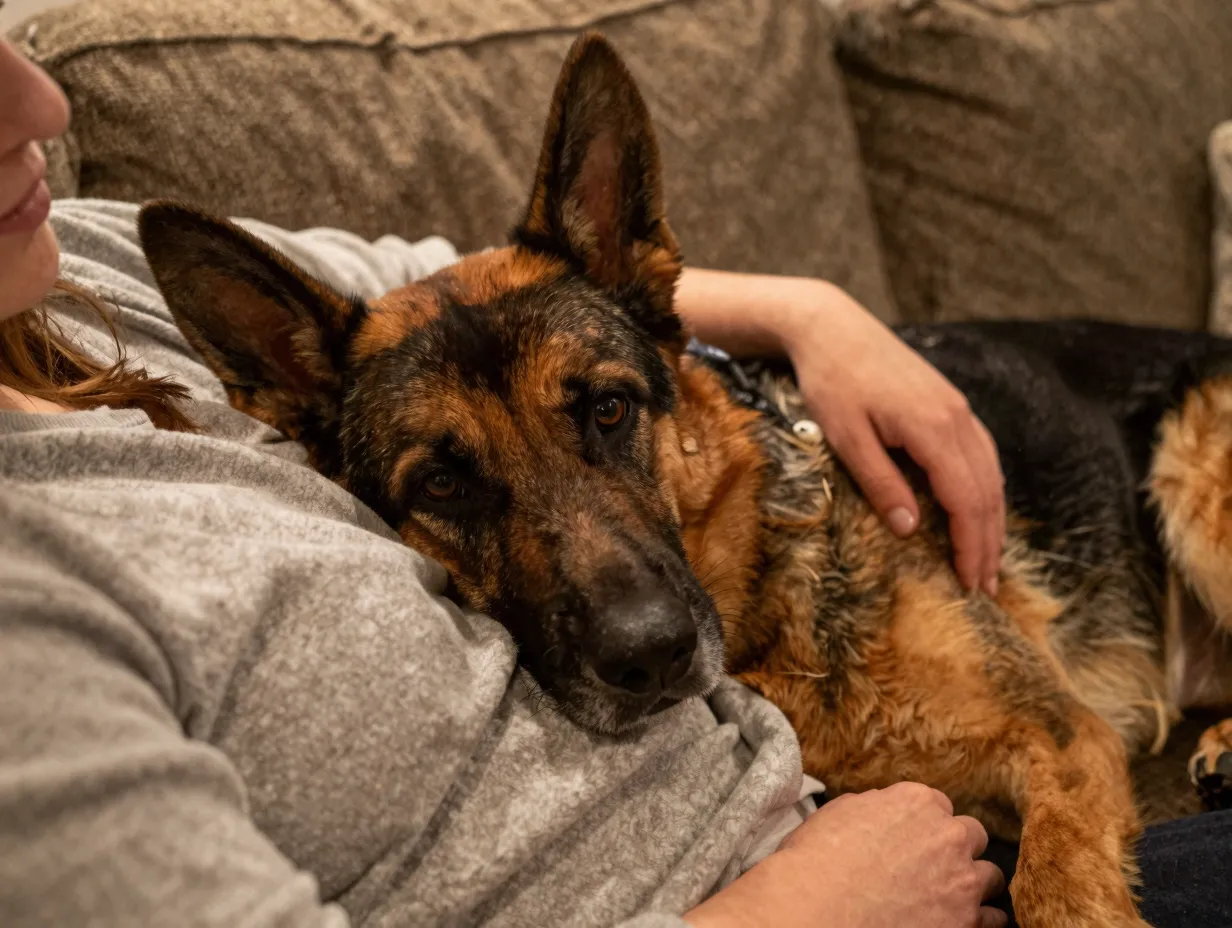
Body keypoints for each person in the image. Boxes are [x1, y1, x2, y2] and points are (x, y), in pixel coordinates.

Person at [0, 36, 1227, 928]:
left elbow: (447, 286)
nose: (39, 104)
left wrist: (811, 310)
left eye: (600, 418)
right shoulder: (33, 604)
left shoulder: (78, 264)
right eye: (453, 485)